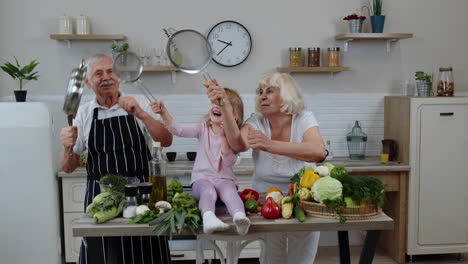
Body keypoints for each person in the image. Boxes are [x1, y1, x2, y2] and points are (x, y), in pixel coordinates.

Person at [59, 54, 173, 264]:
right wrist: (67, 146)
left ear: (118, 76)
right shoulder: (83, 113)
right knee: (102, 255)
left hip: (142, 198)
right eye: (98, 73)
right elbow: (68, 167)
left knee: (147, 255)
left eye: (110, 71)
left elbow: (166, 140)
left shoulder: (140, 105)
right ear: (88, 82)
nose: (106, 77)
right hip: (100, 199)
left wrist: (141, 114)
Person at [205, 73, 327, 264]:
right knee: (271, 258)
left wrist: (269, 144)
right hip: (266, 201)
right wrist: (225, 108)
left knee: (302, 259)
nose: (262, 96)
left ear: (287, 95)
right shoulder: (257, 120)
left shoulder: (304, 118)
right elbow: (238, 144)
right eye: (260, 92)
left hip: (304, 198)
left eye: (270, 91)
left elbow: (317, 151)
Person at [151, 84, 251, 235]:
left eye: (222, 104)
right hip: (202, 179)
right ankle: (208, 218)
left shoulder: (233, 137)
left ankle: (240, 218)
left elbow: (228, 162)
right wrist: (164, 113)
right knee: (208, 192)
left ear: (234, 115)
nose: (216, 106)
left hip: (224, 179)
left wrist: (224, 136)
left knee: (230, 192)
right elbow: (178, 129)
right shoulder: (202, 128)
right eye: (214, 103)